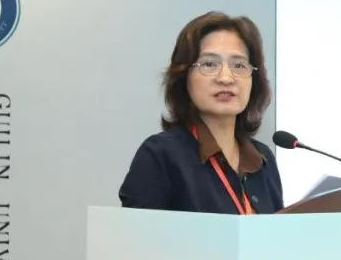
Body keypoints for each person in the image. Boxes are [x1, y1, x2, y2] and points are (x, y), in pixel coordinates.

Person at [118, 11, 285, 214]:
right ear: (184, 76)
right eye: (209, 64)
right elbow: (137, 233)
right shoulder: (160, 155)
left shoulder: (263, 159)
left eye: (239, 65)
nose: (226, 78)